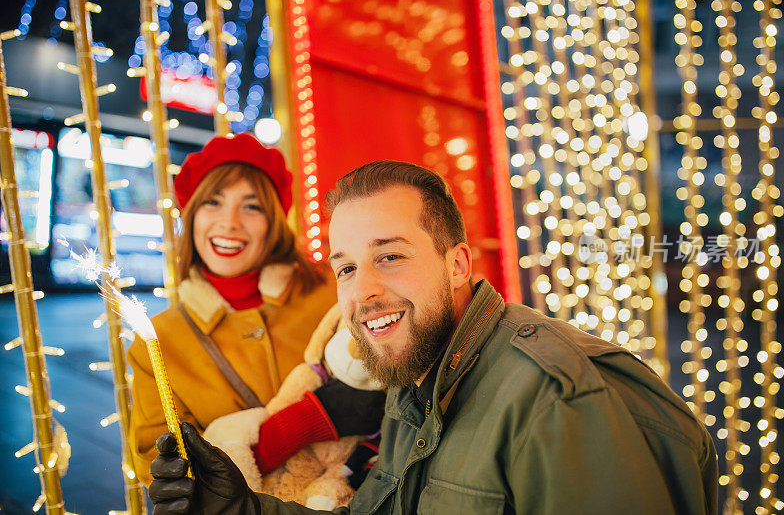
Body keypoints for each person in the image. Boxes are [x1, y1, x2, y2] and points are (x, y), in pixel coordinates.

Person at [146, 160, 718, 514]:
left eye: (390, 257)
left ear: (456, 264)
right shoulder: (415, 374)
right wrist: (244, 509)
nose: (363, 292)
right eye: (345, 268)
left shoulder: (553, 398)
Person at [127, 133, 383, 486]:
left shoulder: (336, 288)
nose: (229, 222)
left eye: (251, 206)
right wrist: (302, 423)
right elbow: (164, 474)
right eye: (212, 203)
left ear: (274, 222)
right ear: (192, 215)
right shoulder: (156, 344)